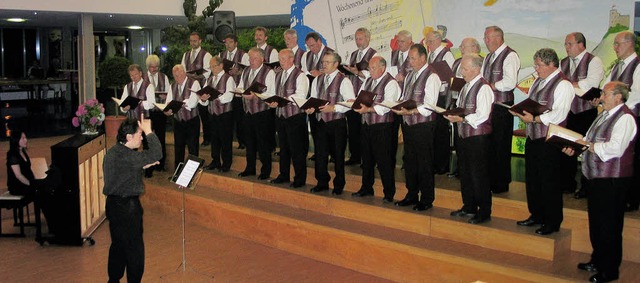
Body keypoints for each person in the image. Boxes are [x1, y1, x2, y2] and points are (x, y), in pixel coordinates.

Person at [563, 81, 636, 283]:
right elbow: (588, 139)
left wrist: (588, 145)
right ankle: (598, 259)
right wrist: (575, 147)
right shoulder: (604, 114)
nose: (601, 97)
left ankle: (610, 270)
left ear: (618, 97)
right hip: (596, 177)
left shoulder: (626, 118)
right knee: (597, 222)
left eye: (605, 93)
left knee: (610, 225)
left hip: (612, 179)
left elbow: (615, 148)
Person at [510, 48, 573, 235]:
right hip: (533, 135)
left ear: (552, 64)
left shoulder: (563, 85)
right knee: (533, 179)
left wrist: (536, 120)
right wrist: (521, 111)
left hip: (549, 138)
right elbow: (533, 103)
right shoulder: (538, 81)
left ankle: (552, 221)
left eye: (539, 65)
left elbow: (559, 113)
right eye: (536, 64)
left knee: (549, 181)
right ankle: (536, 214)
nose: (536, 69)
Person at [103, 117, 162, 283]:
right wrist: (149, 130)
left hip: (113, 205)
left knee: (118, 245)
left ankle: (113, 280)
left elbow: (120, 174)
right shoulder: (129, 157)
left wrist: (140, 167)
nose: (142, 138)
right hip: (127, 207)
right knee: (135, 249)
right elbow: (157, 153)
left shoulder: (114, 152)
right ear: (129, 137)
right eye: (139, 135)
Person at [444, 54, 494, 224]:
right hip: (464, 135)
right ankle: (469, 206)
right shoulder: (466, 87)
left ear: (476, 68)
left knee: (479, 174)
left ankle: (484, 211)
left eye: (464, 69)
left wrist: (462, 119)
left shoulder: (484, 88)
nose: (461, 72)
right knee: (465, 172)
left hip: (478, 137)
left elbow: (482, 115)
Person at [392, 44, 441, 211]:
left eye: (413, 58)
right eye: (409, 58)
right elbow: (406, 97)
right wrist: (397, 104)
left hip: (423, 125)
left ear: (422, 58)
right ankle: (411, 194)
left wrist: (411, 110)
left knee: (424, 162)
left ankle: (427, 198)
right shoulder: (410, 75)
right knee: (410, 161)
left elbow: (429, 105)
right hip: (408, 123)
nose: (410, 62)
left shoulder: (432, 76)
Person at [559, 32, 605, 199]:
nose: (566, 47)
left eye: (569, 44)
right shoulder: (562, 63)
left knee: (585, 149)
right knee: (566, 147)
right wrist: (576, 84)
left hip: (586, 111)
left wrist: (570, 84)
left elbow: (590, 84)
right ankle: (567, 183)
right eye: (566, 44)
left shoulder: (594, 61)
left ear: (581, 44)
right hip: (568, 112)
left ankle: (586, 187)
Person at [352, 56, 400, 203]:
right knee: (366, 158)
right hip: (366, 124)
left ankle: (389, 192)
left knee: (383, 159)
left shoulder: (391, 83)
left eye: (373, 68)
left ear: (382, 68)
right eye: (369, 68)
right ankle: (366, 187)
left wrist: (369, 109)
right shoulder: (368, 80)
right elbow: (360, 97)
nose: (370, 71)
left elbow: (387, 105)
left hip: (382, 126)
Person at [307, 51, 355, 195]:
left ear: (336, 64)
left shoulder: (344, 80)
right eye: (323, 62)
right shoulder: (318, 79)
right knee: (320, 154)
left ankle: (339, 184)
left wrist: (333, 107)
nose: (324, 65)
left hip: (336, 122)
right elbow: (314, 98)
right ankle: (322, 182)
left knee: (338, 155)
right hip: (321, 122)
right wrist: (311, 108)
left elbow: (350, 102)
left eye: (327, 62)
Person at [603, 30, 640, 212]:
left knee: (630, 158)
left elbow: (636, 95)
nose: (615, 47)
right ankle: (615, 193)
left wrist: (617, 107)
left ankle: (631, 199)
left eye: (618, 44)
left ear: (630, 44)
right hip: (613, 117)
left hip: (632, 117)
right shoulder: (617, 66)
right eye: (615, 44)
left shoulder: (638, 65)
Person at [482, 25, 521, 194]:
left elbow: (510, 82)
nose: (485, 41)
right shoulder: (489, 56)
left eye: (487, 38)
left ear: (498, 38)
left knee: (501, 145)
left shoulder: (510, 55)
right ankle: (491, 181)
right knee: (490, 145)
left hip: (502, 107)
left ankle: (501, 184)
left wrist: (491, 85)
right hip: (490, 107)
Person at [268, 49, 309, 188]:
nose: (282, 62)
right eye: (280, 59)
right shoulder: (278, 75)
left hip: (294, 116)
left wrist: (284, 99)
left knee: (297, 149)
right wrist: (272, 101)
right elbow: (275, 92)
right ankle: (283, 174)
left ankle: (299, 178)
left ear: (292, 59)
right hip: (281, 116)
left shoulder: (300, 75)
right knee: (283, 148)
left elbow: (301, 95)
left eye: (284, 59)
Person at [237, 47, 277, 180]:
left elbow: (271, 92)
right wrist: (241, 92)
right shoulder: (246, 70)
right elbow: (241, 86)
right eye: (250, 58)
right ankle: (250, 168)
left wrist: (256, 95)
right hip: (248, 111)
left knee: (263, 143)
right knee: (249, 142)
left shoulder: (269, 72)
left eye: (254, 58)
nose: (251, 61)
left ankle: (265, 171)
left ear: (262, 59)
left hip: (262, 113)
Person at [424, 30, 455, 175]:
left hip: (443, 96)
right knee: (434, 131)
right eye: (427, 41)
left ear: (438, 40)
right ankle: (435, 162)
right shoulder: (431, 54)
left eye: (430, 41)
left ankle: (443, 164)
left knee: (442, 132)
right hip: (434, 95)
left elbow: (452, 75)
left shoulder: (446, 54)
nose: (428, 44)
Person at [345, 27, 377, 166]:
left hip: (366, 96)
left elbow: (374, 76)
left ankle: (367, 159)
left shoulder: (374, 55)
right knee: (353, 127)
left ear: (368, 38)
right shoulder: (352, 54)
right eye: (356, 39)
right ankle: (355, 156)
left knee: (366, 129)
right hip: (353, 94)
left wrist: (358, 72)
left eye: (361, 38)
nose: (358, 41)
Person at [200, 56, 236, 172]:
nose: (212, 69)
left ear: (221, 66)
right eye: (210, 67)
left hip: (224, 113)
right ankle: (215, 161)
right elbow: (203, 100)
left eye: (214, 66)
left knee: (225, 139)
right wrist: (204, 98)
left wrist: (216, 97)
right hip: (212, 113)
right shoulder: (209, 80)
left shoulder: (228, 78)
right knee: (214, 138)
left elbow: (229, 96)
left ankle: (226, 163)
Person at [181, 32, 212, 147]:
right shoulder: (186, 55)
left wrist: (197, 76)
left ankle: (207, 138)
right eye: (191, 41)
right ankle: (190, 137)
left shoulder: (206, 55)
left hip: (201, 87)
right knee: (191, 113)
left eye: (195, 40)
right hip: (189, 89)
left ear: (200, 41)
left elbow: (208, 72)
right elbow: (182, 69)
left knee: (204, 114)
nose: (193, 43)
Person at [167, 64, 201, 169]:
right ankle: (177, 174)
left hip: (191, 121)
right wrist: (167, 110)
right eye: (175, 76)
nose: (178, 78)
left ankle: (192, 174)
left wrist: (181, 103)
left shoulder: (194, 83)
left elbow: (192, 103)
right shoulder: (172, 86)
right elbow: (168, 102)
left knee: (193, 149)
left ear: (184, 73)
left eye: (179, 75)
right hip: (178, 121)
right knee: (178, 148)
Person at [220, 33, 249, 150]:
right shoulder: (221, 55)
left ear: (236, 43)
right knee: (228, 118)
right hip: (225, 90)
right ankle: (229, 140)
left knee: (239, 118)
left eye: (230, 42)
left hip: (237, 90)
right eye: (226, 42)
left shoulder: (244, 55)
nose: (228, 44)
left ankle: (242, 141)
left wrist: (238, 73)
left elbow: (248, 71)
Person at [144, 55, 171, 173]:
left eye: (156, 67)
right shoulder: (143, 78)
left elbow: (169, 92)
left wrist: (165, 96)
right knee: (146, 140)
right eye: (151, 67)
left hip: (160, 112)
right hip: (147, 113)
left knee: (161, 138)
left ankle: (161, 164)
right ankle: (148, 168)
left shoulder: (163, 77)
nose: (154, 70)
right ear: (147, 67)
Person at [6, 131, 36, 197]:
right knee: (41, 191)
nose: (26, 140)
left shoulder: (22, 152)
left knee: (46, 188)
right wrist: (32, 184)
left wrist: (35, 181)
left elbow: (28, 169)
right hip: (17, 186)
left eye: (25, 137)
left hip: (26, 183)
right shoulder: (12, 155)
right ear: (16, 140)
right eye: (23, 138)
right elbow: (18, 175)